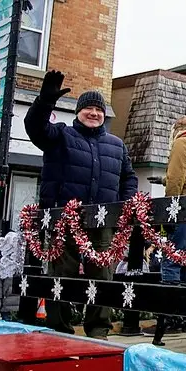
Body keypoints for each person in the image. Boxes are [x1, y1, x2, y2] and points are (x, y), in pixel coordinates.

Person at [25, 70, 138, 339]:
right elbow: (35, 128)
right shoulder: (60, 136)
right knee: (60, 277)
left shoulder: (116, 145)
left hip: (103, 222)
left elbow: (129, 178)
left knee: (103, 277)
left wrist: (124, 207)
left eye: (98, 109)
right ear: (78, 112)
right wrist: (45, 101)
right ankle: (58, 330)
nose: (94, 113)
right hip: (64, 220)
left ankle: (98, 331)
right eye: (88, 107)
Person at [152, 116, 186, 348]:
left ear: (177, 129)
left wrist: (168, 209)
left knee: (173, 261)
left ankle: (169, 317)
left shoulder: (181, 143)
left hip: (182, 209)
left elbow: (176, 179)